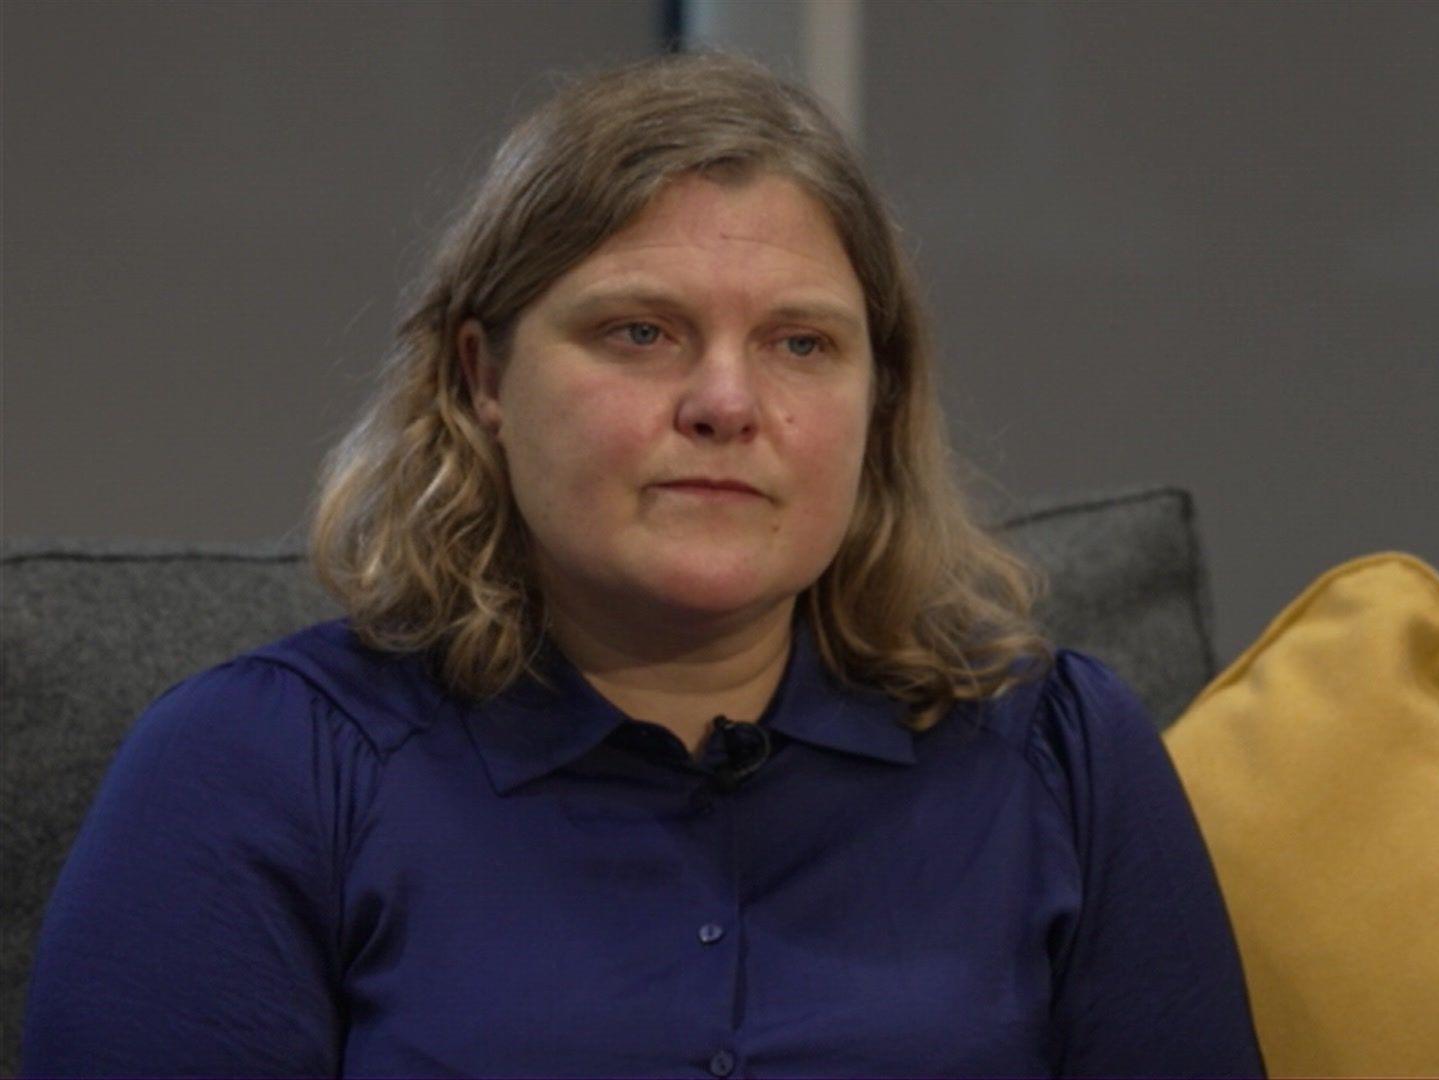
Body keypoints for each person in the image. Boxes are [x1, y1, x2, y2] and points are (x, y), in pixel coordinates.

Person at [20, 51, 1264, 1078]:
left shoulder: (1060, 753)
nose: (728, 403)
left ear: (877, 406)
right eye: (640, 332)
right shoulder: (259, 768)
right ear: (483, 377)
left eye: (800, 343)